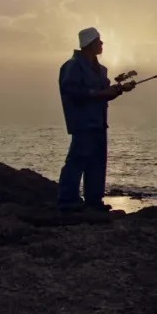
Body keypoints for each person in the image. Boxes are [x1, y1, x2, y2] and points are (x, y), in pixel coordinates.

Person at [57, 27, 136, 212]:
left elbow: (106, 93)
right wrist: (100, 93)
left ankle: (94, 201)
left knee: (97, 162)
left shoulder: (101, 70)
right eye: (99, 41)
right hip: (83, 122)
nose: (102, 44)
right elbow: (72, 92)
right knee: (77, 161)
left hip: (99, 123)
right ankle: (67, 201)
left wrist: (120, 89)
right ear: (90, 44)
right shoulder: (73, 66)